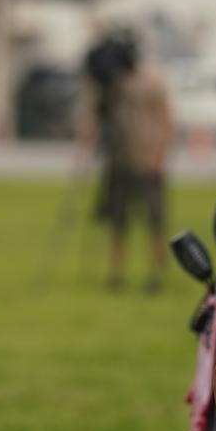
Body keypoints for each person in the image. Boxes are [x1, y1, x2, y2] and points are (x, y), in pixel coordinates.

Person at [77, 28, 173, 292]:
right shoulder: (112, 82)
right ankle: (115, 274)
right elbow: (97, 114)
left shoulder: (152, 80)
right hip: (119, 159)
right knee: (118, 221)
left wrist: (160, 155)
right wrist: (84, 148)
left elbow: (166, 117)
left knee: (154, 220)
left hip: (147, 158)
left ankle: (156, 274)